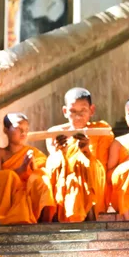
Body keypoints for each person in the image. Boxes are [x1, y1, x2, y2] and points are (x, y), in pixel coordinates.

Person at [46, 87, 114, 222]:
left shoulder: (101, 132)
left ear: (91, 110)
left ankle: (86, 213)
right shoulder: (55, 133)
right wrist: (62, 152)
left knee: (81, 166)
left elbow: (101, 167)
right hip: (65, 181)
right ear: (65, 111)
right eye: (73, 111)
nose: (78, 116)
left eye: (83, 110)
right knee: (72, 178)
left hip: (92, 180)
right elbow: (53, 166)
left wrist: (86, 151)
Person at [0, 112, 55, 224]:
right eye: (18, 128)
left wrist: (33, 167)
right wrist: (21, 170)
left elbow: (45, 175)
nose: (23, 132)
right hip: (9, 198)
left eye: (26, 129)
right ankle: (5, 217)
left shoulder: (34, 153)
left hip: (28, 196)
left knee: (40, 176)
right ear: (6, 130)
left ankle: (42, 221)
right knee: (5, 175)